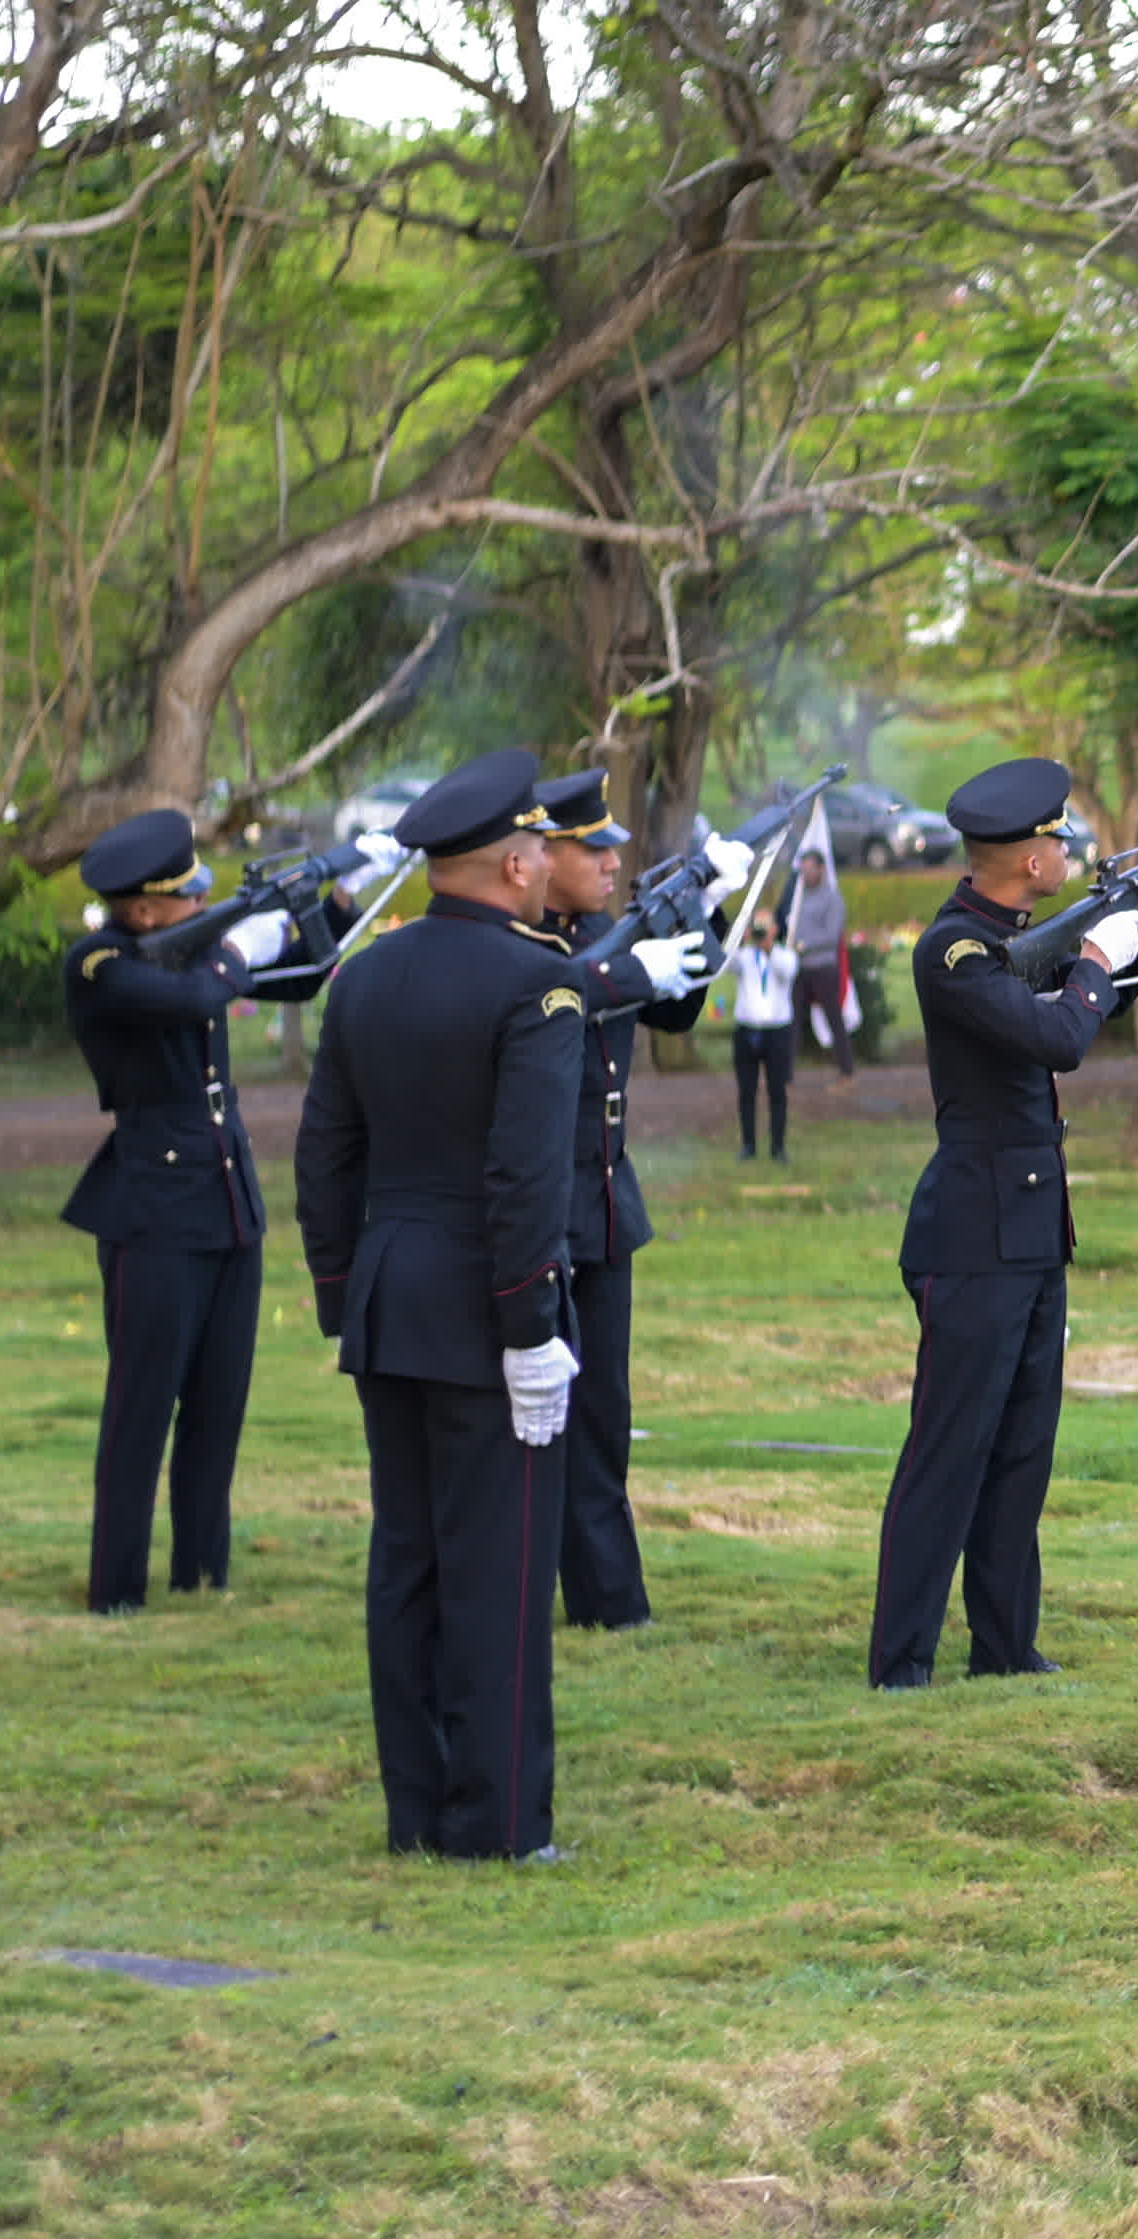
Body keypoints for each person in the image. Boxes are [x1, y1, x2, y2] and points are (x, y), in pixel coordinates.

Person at [296, 750, 688, 1861]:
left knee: (408, 1561)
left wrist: (343, 1291)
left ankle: (416, 1810)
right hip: (486, 1303)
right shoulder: (539, 985)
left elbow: (327, 1156)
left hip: (389, 1296)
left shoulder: (366, 975)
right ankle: (502, 1823)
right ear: (518, 863)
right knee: (504, 1571)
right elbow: (524, 1177)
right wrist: (529, 1327)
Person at [863, 758, 1138, 1690]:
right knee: (949, 1450)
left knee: (1021, 1451)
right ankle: (901, 1656)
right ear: (1027, 859)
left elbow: (1104, 994)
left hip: (1033, 1231)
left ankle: (1003, 1642)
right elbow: (1060, 1038)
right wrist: (1094, 961)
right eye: (1056, 838)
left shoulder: (1022, 936)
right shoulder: (954, 950)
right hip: (973, 1236)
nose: (1067, 848)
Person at [60, 810, 372, 1614]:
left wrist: (335, 902)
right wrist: (242, 945)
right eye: (186, 898)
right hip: (154, 1207)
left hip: (226, 1200)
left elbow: (300, 977)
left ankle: (202, 1576)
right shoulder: (98, 962)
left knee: (218, 1405)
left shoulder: (194, 949)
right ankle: (115, 1588)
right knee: (141, 1409)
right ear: (143, 912)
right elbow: (196, 995)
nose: (201, 906)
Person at [535, 770, 722, 1631]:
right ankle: (532, 1588)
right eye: (594, 847)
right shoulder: (524, 943)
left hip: (605, 1197)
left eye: (615, 845)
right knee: (537, 1421)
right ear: (546, 853)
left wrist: (707, 907)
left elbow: (675, 1011)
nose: (613, 861)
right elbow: (554, 1001)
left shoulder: (610, 931)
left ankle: (610, 1601)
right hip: (539, 1198)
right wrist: (618, 964)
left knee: (605, 1414)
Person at [727, 911, 799, 1160]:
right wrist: (741, 937)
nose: (761, 932)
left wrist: (768, 949)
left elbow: (785, 973)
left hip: (777, 1031)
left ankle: (778, 1147)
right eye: (757, 926)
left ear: (775, 929)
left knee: (777, 1090)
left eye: (764, 927)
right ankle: (748, 1146)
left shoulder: (785, 955)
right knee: (746, 1091)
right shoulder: (745, 956)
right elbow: (726, 961)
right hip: (747, 1029)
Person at [791, 840, 856, 1080]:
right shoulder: (799, 898)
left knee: (833, 1019)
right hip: (799, 968)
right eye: (803, 869)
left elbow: (831, 936)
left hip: (823, 968)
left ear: (821, 869)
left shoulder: (832, 899)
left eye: (810, 869)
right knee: (792, 1021)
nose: (806, 874)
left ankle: (846, 1071)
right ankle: (784, 1074)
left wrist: (803, 945)